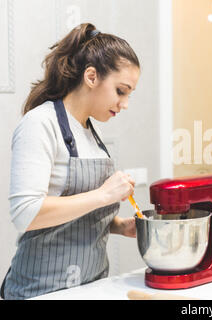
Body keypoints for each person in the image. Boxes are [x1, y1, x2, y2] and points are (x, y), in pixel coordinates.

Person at [1, 23, 141, 300]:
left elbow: (77, 213)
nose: (124, 104)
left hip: (91, 285)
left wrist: (119, 225)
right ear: (91, 76)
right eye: (121, 91)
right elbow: (25, 213)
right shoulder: (40, 124)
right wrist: (104, 194)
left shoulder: (93, 131)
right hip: (41, 290)